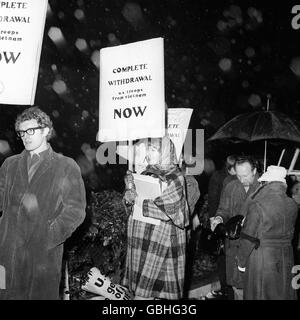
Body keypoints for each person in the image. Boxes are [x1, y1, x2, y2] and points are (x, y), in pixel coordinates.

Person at [0, 106, 86, 300]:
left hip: (42, 256)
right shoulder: (10, 164)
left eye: (31, 131)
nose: (25, 136)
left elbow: (75, 210)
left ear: (46, 130)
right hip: (7, 252)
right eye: (22, 132)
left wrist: (49, 236)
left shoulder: (66, 166)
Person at [122, 136, 189, 299]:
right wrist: (129, 192)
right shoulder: (145, 172)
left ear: (165, 152)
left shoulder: (175, 176)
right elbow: (130, 205)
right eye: (149, 148)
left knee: (145, 295)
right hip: (142, 240)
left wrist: (138, 200)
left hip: (161, 240)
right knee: (141, 293)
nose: (149, 153)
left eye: (154, 149)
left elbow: (169, 210)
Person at [236, 165, 298, 300]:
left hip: (262, 259)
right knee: (282, 294)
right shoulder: (293, 204)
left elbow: (248, 237)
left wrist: (241, 261)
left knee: (260, 294)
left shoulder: (258, 204)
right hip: (286, 257)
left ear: (266, 182)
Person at [210, 155, 260, 300]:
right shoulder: (231, 186)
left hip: (253, 246)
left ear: (255, 171)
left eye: (245, 176)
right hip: (233, 243)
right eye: (238, 176)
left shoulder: (263, 187)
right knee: (237, 286)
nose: (242, 180)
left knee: (254, 286)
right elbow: (223, 209)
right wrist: (219, 218)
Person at [205, 154, 237, 299]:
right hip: (221, 222)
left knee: (231, 257)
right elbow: (212, 200)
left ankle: (230, 287)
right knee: (222, 256)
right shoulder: (218, 177)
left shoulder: (236, 177)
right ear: (230, 168)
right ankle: (226, 288)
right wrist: (214, 222)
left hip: (233, 222)